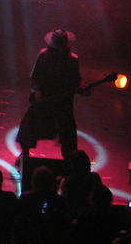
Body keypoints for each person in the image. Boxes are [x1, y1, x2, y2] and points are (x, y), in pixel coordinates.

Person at [15, 28, 89, 162]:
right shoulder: (43, 55)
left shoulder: (73, 60)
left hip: (63, 103)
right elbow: (35, 78)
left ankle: (70, 159)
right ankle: (24, 154)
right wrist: (37, 91)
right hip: (45, 99)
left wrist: (82, 89)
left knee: (68, 133)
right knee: (28, 127)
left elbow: (76, 82)